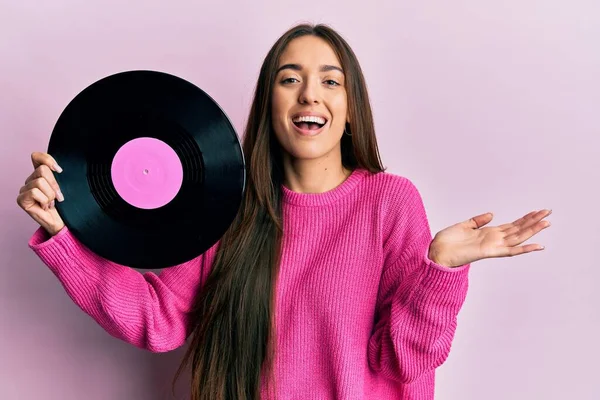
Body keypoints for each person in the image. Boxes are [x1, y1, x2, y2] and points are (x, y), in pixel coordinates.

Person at [16, 23, 551, 400]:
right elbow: (160, 321)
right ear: (269, 105)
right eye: (289, 79)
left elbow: (404, 362)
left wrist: (440, 269)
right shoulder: (226, 205)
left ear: (348, 111)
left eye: (330, 80)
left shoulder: (390, 201)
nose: (309, 95)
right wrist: (64, 235)